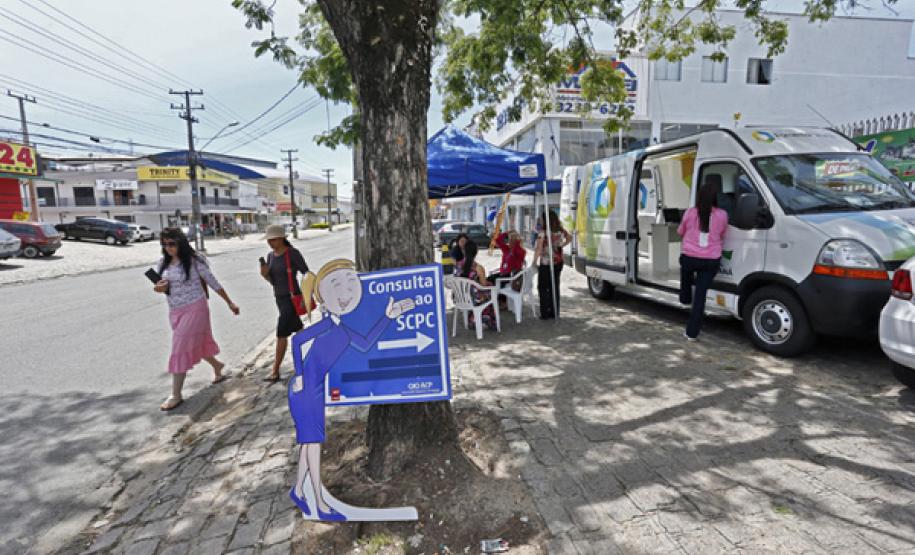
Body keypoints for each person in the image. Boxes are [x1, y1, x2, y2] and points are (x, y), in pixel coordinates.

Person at [288, 259, 415, 521]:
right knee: (311, 444)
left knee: (308, 443)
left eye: (349, 285)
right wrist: (299, 376)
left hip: (314, 390)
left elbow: (367, 344)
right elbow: (297, 340)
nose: (345, 295)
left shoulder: (342, 329)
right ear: (323, 297)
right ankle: (320, 503)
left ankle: (299, 491)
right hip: (305, 390)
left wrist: (387, 317)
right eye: (335, 287)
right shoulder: (326, 323)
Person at [153, 227, 240, 411]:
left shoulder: (194, 261)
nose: (168, 248)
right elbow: (163, 286)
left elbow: (212, 281)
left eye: (172, 244)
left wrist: (230, 302)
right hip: (176, 311)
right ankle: (217, 366)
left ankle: (176, 394)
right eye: (165, 244)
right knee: (195, 344)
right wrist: (159, 288)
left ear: (181, 243)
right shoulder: (162, 263)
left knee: (180, 346)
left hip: (196, 308)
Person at [677, 181, 728, 341]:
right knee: (700, 296)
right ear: (716, 198)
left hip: (690, 258)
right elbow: (722, 234)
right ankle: (691, 333)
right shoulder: (722, 215)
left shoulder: (690, 213)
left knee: (684, 267)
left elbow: (680, 232)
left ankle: (685, 297)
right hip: (710, 261)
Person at [260, 224, 310, 382]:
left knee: (281, 333)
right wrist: (265, 275)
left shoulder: (292, 254)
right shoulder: (270, 256)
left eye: (273, 239)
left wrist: (306, 297)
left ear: (282, 238)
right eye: (268, 240)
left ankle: (275, 370)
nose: (270, 243)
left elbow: (306, 274)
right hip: (279, 299)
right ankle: (311, 359)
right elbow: (273, 282)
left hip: (292, 298)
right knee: (299, 330)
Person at [533, 210, 572, 319]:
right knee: (554, 286)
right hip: (558, 262)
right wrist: (561, 245)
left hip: (546, 263)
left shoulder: (543, 232)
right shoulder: (560, 230)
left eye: (542, 218)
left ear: (546, 220)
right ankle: (554, 312)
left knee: (542, 287)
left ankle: (545, 313)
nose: (540, 220)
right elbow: (570, 237)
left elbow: (539, 248)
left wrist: (534, 261)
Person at [455, 241, 497, 329]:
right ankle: (486, 319)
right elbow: (483, 285)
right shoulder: (478, 267)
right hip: (474, 299)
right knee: (490, 292)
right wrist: (491, 284)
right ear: (476, 252)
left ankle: (474, 318)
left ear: (464, 251)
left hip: (460, 297)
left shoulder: (458, 265)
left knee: (482, 293)